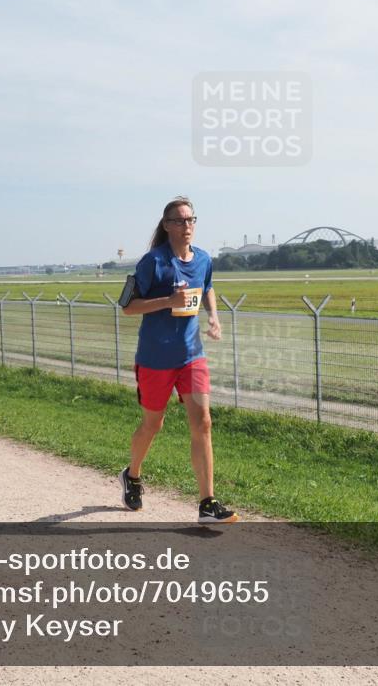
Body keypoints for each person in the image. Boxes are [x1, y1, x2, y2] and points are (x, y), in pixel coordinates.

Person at [119, 197, 238, 524]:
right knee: (152, 425)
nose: (187, 226)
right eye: (180, 221)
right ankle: (132, 474)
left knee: (203, 422)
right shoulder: (152, 262)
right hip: (155, 359)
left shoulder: (202, 259)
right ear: (167, 225)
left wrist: (213, 316)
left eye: (191, 220)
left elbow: (207, 286)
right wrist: (167, 301)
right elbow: (128, 307)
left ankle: (207, 503)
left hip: (191, 356)